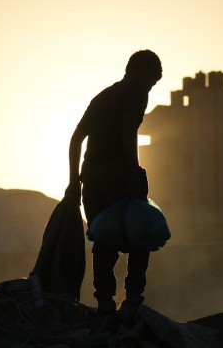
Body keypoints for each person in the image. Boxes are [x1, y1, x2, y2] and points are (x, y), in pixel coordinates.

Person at [66, 49, 162, 320]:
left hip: (92, 180)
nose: (150, 89)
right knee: (141, 233)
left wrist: (74, 181)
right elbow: (128, 128)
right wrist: (132, 171)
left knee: (104, 240)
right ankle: (132, 301)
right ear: (142, 75)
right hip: (118, 174)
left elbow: (76, 139)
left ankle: (106, 304)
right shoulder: (136, 91)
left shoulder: (102, 97)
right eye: (151, 83)